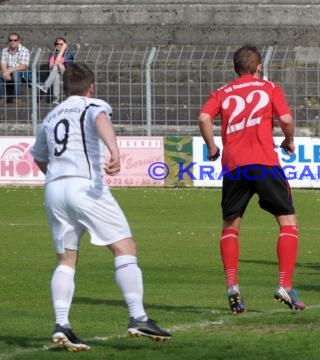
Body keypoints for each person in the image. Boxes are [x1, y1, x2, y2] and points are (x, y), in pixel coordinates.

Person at [32, 63, 171, 352]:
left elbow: (39, 156)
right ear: (90, 87)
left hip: (54, 188)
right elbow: (99, 119)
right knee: (125, 247)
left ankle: (62, 324)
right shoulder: (92, 104)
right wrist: (115, 151)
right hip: (86, 186)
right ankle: (138, 317)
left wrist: (56, 175)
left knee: (65, 259)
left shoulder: (50, 116)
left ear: (64, 87)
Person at [198, 44, 305, 314]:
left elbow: (203, 117)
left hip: (235, 166)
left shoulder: (222, 92)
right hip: (264, 162)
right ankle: (285, 284)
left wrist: (212, 147)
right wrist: (289, 140)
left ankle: (232, 287)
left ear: (235, 68)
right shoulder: (269, 88)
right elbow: (286, 118)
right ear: (259, 67)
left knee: (231, 226)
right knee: (287, 222)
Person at [37, 36, 75, 105]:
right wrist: (57, 65)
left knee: (56, 67)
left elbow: (58, 63)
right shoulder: (52, 53)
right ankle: (56, 99)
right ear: (55, 45)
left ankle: (46, 86)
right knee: (56, 74)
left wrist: (63, 50)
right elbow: (51, 66)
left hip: (66, 74)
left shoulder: (68, 54)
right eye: (57, 44)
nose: (59, 45)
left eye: (61, 44)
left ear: (65, 45)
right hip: (56, 72)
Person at [0, 32, 30, 105]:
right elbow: (2, 63)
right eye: (11, 40)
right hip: (8, 72)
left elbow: (23, 66)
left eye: (15, 40)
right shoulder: (5, 50)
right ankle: (2, 98)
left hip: (22, 73)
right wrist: (5, 72)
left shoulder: (24, 50)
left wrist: (10, 70)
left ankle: (17, 98)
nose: (13, 42)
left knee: (16, 73)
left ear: (19, 40)